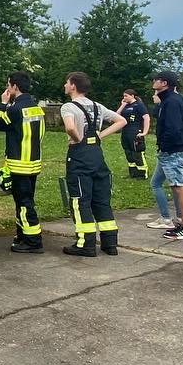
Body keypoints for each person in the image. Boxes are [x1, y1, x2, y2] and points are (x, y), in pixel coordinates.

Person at [59, 73, 126, 256]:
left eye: (67, 82)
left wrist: (77, 139)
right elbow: (121, 121)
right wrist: (100, 135)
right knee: (101, 200)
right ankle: (110, 243)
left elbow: (70, 127)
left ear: (73, 86)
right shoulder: (97, 106)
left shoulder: (68, 107)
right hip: (97, 155)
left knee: (80, 200)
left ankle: (85, 244)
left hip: (79, 156)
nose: (65, 85)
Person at [0, 71, 46, 253]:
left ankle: (33, 241)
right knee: (26, 200)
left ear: (15, 86)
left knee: (23, 203)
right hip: (33, 161)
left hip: (19, 164)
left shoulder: (15, 109)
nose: (7, 88)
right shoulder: (36, 108)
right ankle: (23, 234)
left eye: (8, 85)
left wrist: (2, 104)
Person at [148, 70, 183, 240]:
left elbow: (174, 128)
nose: (153, 82)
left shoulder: (171, 102)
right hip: (176, 150)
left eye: (156, 80)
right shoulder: (173, 100)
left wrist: (166, 146)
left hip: (173, 151)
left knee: (180, 187)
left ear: (164, 83)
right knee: (181, 186)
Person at [116, 88, 151, 178]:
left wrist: (145, 132)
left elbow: (146, 117)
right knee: (128, 152)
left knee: (137, 152)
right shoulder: (125, 106)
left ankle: (142, 174)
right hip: (125, 131)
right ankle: (133, 173)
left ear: (132, 96)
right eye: (123, 96)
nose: (124, 97)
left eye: (126, 96)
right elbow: (116, 116)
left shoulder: (139, 105)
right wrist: (122, 105)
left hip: (135, 132)